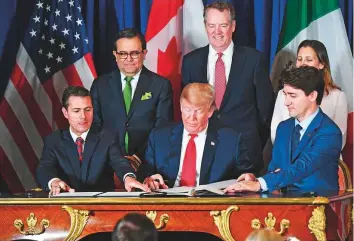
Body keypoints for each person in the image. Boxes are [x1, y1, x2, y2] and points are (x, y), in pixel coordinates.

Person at [181, 1, 275, 174]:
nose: (217, 32)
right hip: (203, 156)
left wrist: (251, 143)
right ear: (205, 26)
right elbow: (187, 108)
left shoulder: (253, 60)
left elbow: (266, 111)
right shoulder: (190, 62)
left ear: (233, 26)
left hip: (246, 157)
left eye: (223, 25)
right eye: (212, 25)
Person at [224, 66, 342, 193]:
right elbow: (275, 171)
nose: (286, 102)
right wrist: (255, 180)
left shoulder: (329, 133)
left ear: (312, 96)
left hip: (316, 208)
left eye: (293, 95)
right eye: (285, 94)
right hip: (282, 206)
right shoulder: (284, 128)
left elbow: (301, 168)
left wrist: (260, 183)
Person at [138, 83, 254, 190]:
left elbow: (244, 176)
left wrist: (248, 177)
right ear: (181, 107)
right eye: (187, 109)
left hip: (211, 204)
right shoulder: (159, 137)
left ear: (210, 111)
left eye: (198, 111)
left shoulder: (230, 140)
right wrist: (149, 179)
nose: (191, 117)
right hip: (168, 202)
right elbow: (147, 171)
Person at [36, 86, 149, 195]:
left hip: (101, 206)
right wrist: (54, 181)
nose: (83, 116)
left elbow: (119, 162)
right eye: (76, 111)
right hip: (65, 203)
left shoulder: (107, 137)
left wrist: (128, 177)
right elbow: (45, 168)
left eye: (87, 110)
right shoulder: (54, 140)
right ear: (65, 113)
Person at [91, 28, 173, 166]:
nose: (128, 59)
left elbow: (162, 128)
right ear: (115, 55)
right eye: (123, 54)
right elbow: (95, 126)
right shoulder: (100, 85)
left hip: (147, 163)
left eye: (134, 53)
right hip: (107, 163)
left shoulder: (161, 85)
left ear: (144, 53)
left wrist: (137, 158)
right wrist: (115, 159)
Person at [271, 40, 348, 149]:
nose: (303, 64)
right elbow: (276, 134)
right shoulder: (283, 94)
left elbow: (339, 139)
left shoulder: (337, 97)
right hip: (288, 157)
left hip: (323, 159)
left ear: (322, 64)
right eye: (299, 59)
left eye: (309, 60)